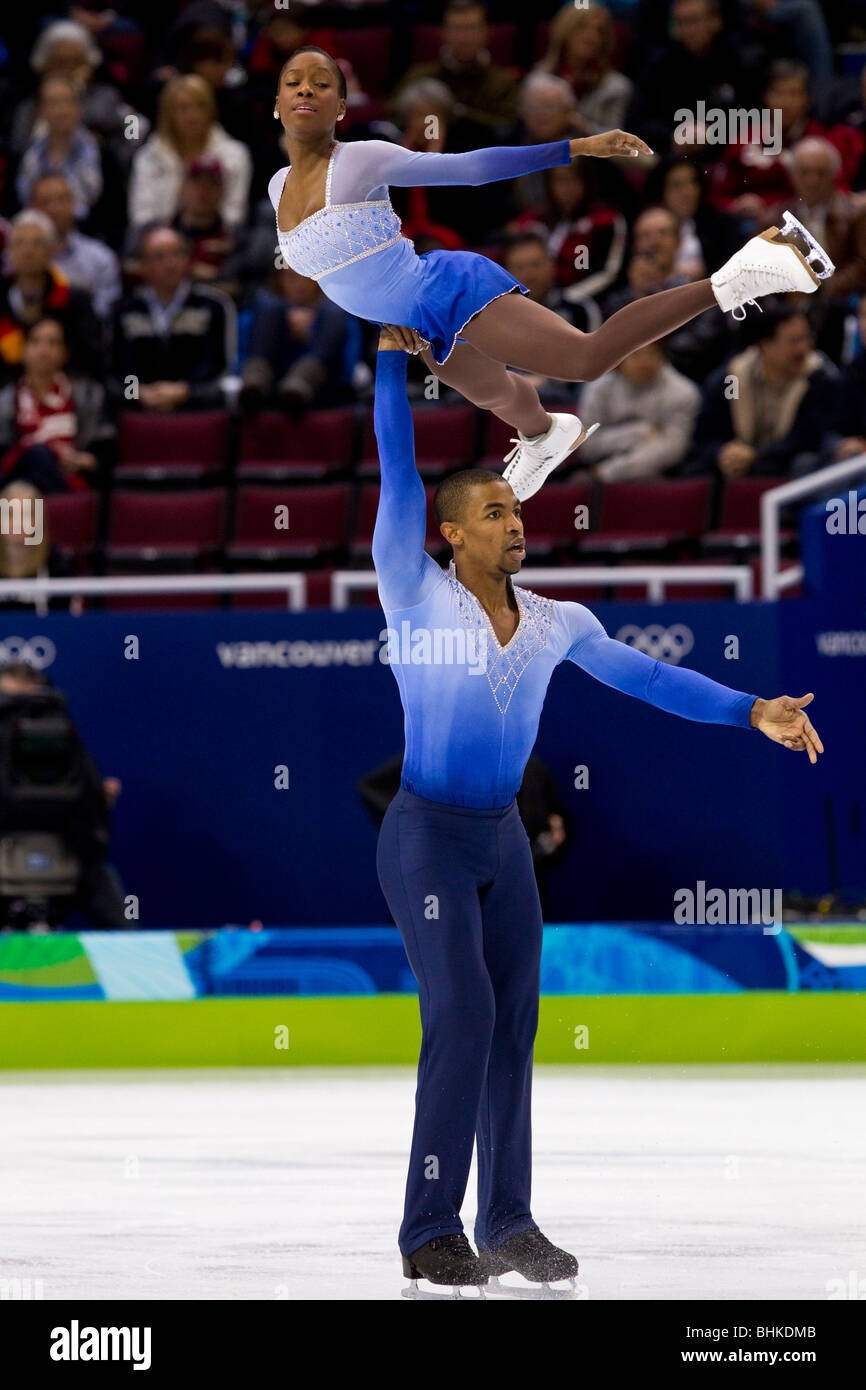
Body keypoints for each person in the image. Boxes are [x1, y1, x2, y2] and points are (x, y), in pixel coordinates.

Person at [371, 325, 823, 1292]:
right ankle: (427, 1229)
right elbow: (396, 468)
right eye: (493, 512)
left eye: (516, 508)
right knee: (460, 1009)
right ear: (450, 534)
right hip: (426, 840)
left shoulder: (556, 623)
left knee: (515, 1023)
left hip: (502, 842)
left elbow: (652, 679)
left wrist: (754, 711)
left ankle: (510, 1222)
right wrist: (386, 365)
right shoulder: (411, 594)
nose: (514, 521)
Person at [270, 45, 832, 501]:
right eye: (294, 81)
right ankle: (544, 435)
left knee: (584, 359)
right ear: (276, 102)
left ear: (342, 107)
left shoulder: (360, 160)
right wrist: (384, 318)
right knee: (498, 395)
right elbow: (343, 273)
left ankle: (737, 276)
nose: (305, 90)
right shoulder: (275, 189)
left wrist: (574, 146)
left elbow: (468, 169)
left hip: (444, 289)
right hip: (416, 323)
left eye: (321, 83)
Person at [686, 305, 840, 478]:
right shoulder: (732, 380)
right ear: (765, 346)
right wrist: (723, 452)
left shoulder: (819, 377)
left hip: (786, 466)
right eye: (794, 341)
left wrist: (757, 455)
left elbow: (809, 437)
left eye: (806, 338)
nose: (804, 348)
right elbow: (708, 433)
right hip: (736, 466)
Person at [109, 225, 236, 414]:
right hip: (139, 410)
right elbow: (113, 374)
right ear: (143, 265)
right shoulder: (123, 310)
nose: (170, 264)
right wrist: (138, 392)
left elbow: (222, 371)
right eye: (159, 257)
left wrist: (185, 391)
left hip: (198, 412)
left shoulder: (214, 306)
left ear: (188, 260)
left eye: (177, 254)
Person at [128, 74, 252, 230]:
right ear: (169, 114)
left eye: (200, 106)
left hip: (215, 239)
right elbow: (142, 215)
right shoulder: (148, 156)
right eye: (183, 108)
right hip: (161, 242)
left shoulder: (235, 155)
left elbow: (234, 214)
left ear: (211, 110)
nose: (192, 116)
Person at [0, 317, 111, 492]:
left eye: (53, 343)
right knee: (37, 456)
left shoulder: (89, 395)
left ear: (65, 352)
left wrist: (86, 459)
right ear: (23, 350)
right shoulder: (5, 399)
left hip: (73, 474)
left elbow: (105, 449)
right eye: (36, 342)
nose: (44, 350)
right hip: (21, 480)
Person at [574, 340, 701, 481]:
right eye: (635, 354)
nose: (644, 362)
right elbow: (588, 446)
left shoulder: (683, 392)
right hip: (598, 466)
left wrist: (609, 472)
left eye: (652, 353)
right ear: (619, 359)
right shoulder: (597, 388)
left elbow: (673, 448)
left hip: (660, 474)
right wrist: (640, 433)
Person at [29, 173, 122, 321]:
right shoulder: (18, 257)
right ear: (31, 207)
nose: (54, 209)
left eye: (61, 200)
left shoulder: (100, 258)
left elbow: (105, 312)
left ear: (74, 203)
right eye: (45, 202)